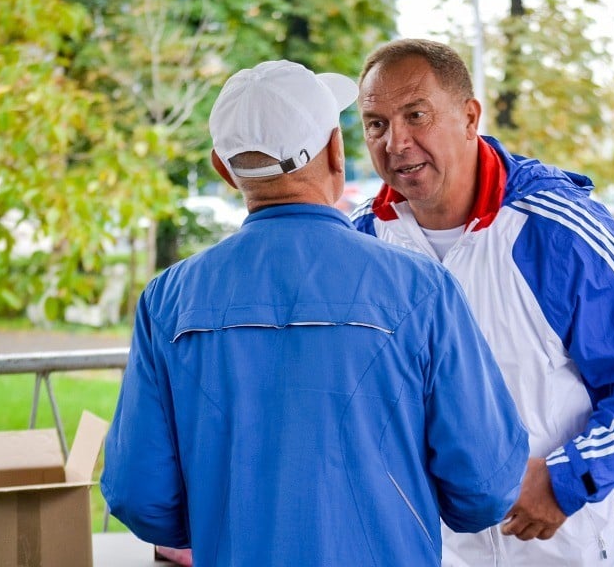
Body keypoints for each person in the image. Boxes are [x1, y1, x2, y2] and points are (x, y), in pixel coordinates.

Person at [100, 59, 530, 567]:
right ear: (335, 149)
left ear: (222, 167)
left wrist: (231, 516)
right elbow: (484, 488)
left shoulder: (168, 300)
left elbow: (137, 494)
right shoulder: (421, 289)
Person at [351, 38, 614, 567]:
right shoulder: (363, 246)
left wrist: (567, 477)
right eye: (376, 124)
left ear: (469, 117)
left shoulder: (558, 229)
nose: (396, 142)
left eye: (416, 115)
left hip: (582, 548)